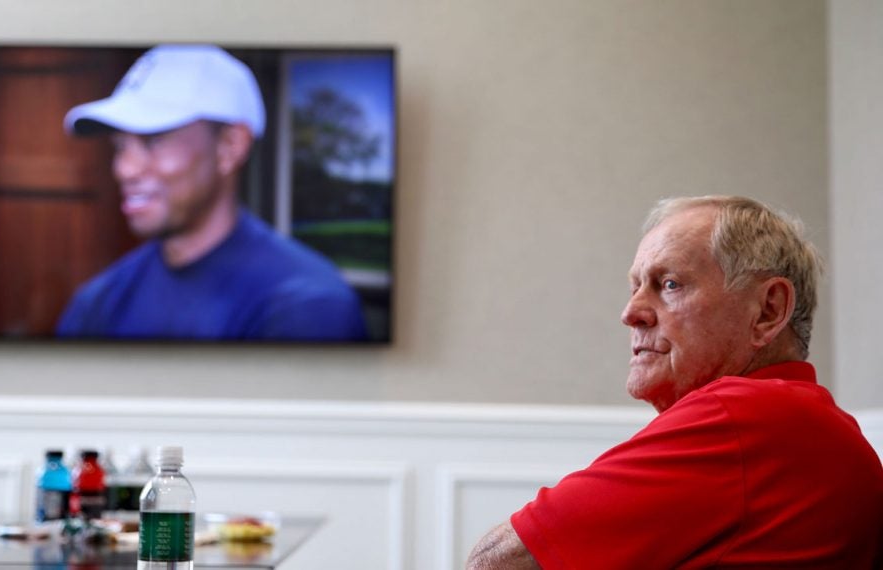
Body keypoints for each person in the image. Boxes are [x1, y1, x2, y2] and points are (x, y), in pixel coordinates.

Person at [467, 196, 883, 569]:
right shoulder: (806, 422)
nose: (631, 313)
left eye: (669, 285)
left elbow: (497, 563)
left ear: (769, 310)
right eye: (635, 287)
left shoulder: (746, 414)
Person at [57, 44, 367, 340]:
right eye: (121, 146)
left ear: (229, 147)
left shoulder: (305, 307)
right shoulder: (98, 303)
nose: (125, 169)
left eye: (154, 140)